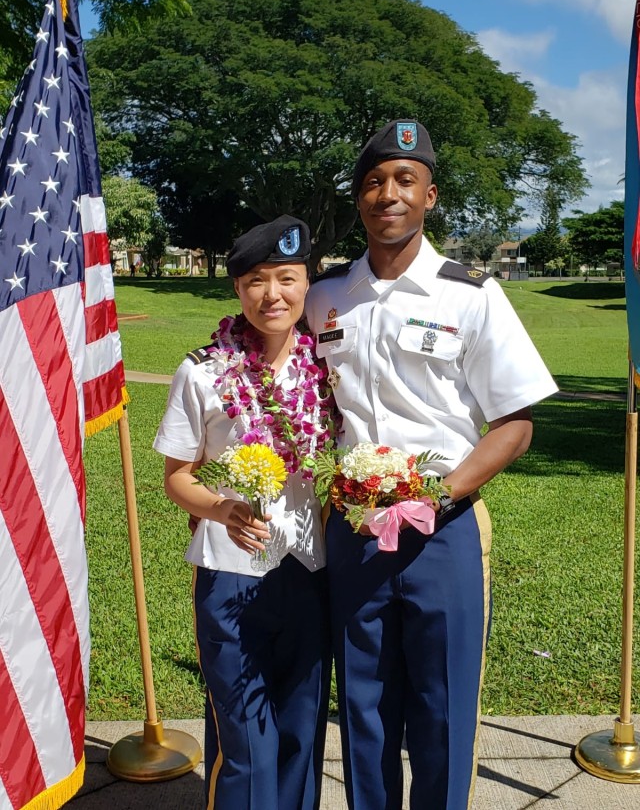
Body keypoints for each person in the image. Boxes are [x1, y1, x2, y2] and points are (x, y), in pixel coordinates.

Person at [305, 120, 558, 810]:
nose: (387, 193)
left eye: (404, 180)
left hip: (443, 532)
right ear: (360, 199)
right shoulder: (324, 298)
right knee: (362, 705)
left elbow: (515, 424)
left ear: (430, 195)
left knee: (443, 709)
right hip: (353, 530)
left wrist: (438, 494)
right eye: (373, 182)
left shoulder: (472, 296)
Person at [154, 215, 334, 810]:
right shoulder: (202, 371)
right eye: (256, 279)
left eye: (287, 277)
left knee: (301, 729)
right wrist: (222, 509)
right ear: (237, 289)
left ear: (309, 284)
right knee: (245, 737)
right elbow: (177, 477)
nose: (272, 294)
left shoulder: (329, 372)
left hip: (308, 570)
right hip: (229, 575)